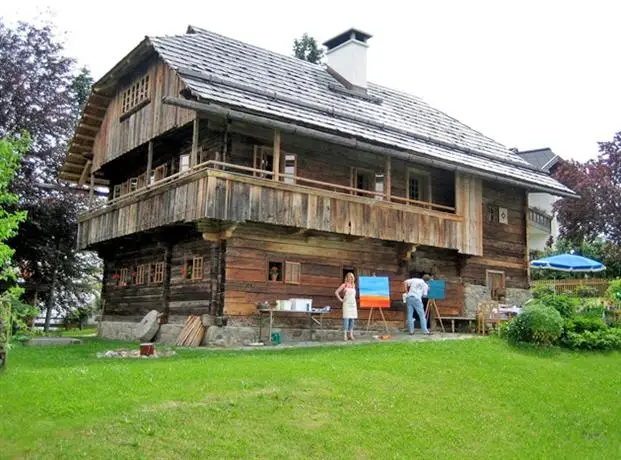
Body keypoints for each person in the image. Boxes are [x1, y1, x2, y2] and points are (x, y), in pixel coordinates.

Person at [404, 271, 431, 335]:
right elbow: (424, 295)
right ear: (427, 281)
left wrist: (406, 290)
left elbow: (405, 282)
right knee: (422, 315)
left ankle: (411, 331)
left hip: (409, 297)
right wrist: (428, 289)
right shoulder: (426, 285)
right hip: (417, 299)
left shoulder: (415, 279)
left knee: (410, 315)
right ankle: (425, 331)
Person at [335, 272, 358, 341]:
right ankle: (345, 335)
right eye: (349, 277)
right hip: (346, 304)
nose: (350, 278)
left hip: (353, 304)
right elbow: (336, 292)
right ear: (346, 278)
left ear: (353, 278)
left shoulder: (353, 285)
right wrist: (341, 299)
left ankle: (351, 334)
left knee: (352, 320)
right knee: (346, 319)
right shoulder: (344, 285)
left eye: (351, 277)